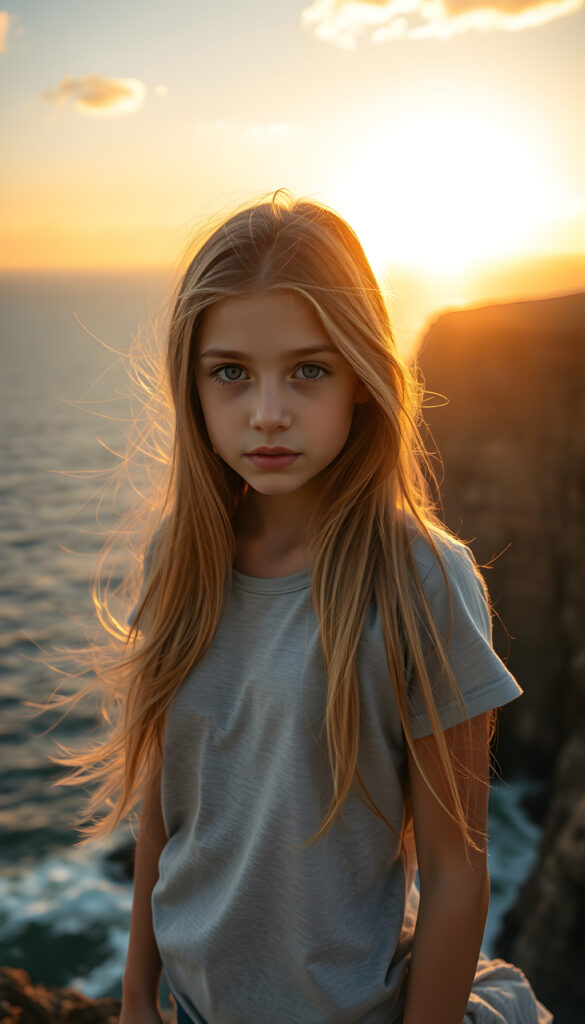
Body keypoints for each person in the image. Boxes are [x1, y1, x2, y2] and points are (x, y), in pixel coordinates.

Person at [57, 192, 553, 1023]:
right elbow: (167, 810)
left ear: (360, 375)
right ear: (193, 387)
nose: (268, 413)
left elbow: (457, 868)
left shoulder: (418, 577)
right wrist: (138, 996)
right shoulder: (180, 559)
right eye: (231, 374)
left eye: (308, 370)